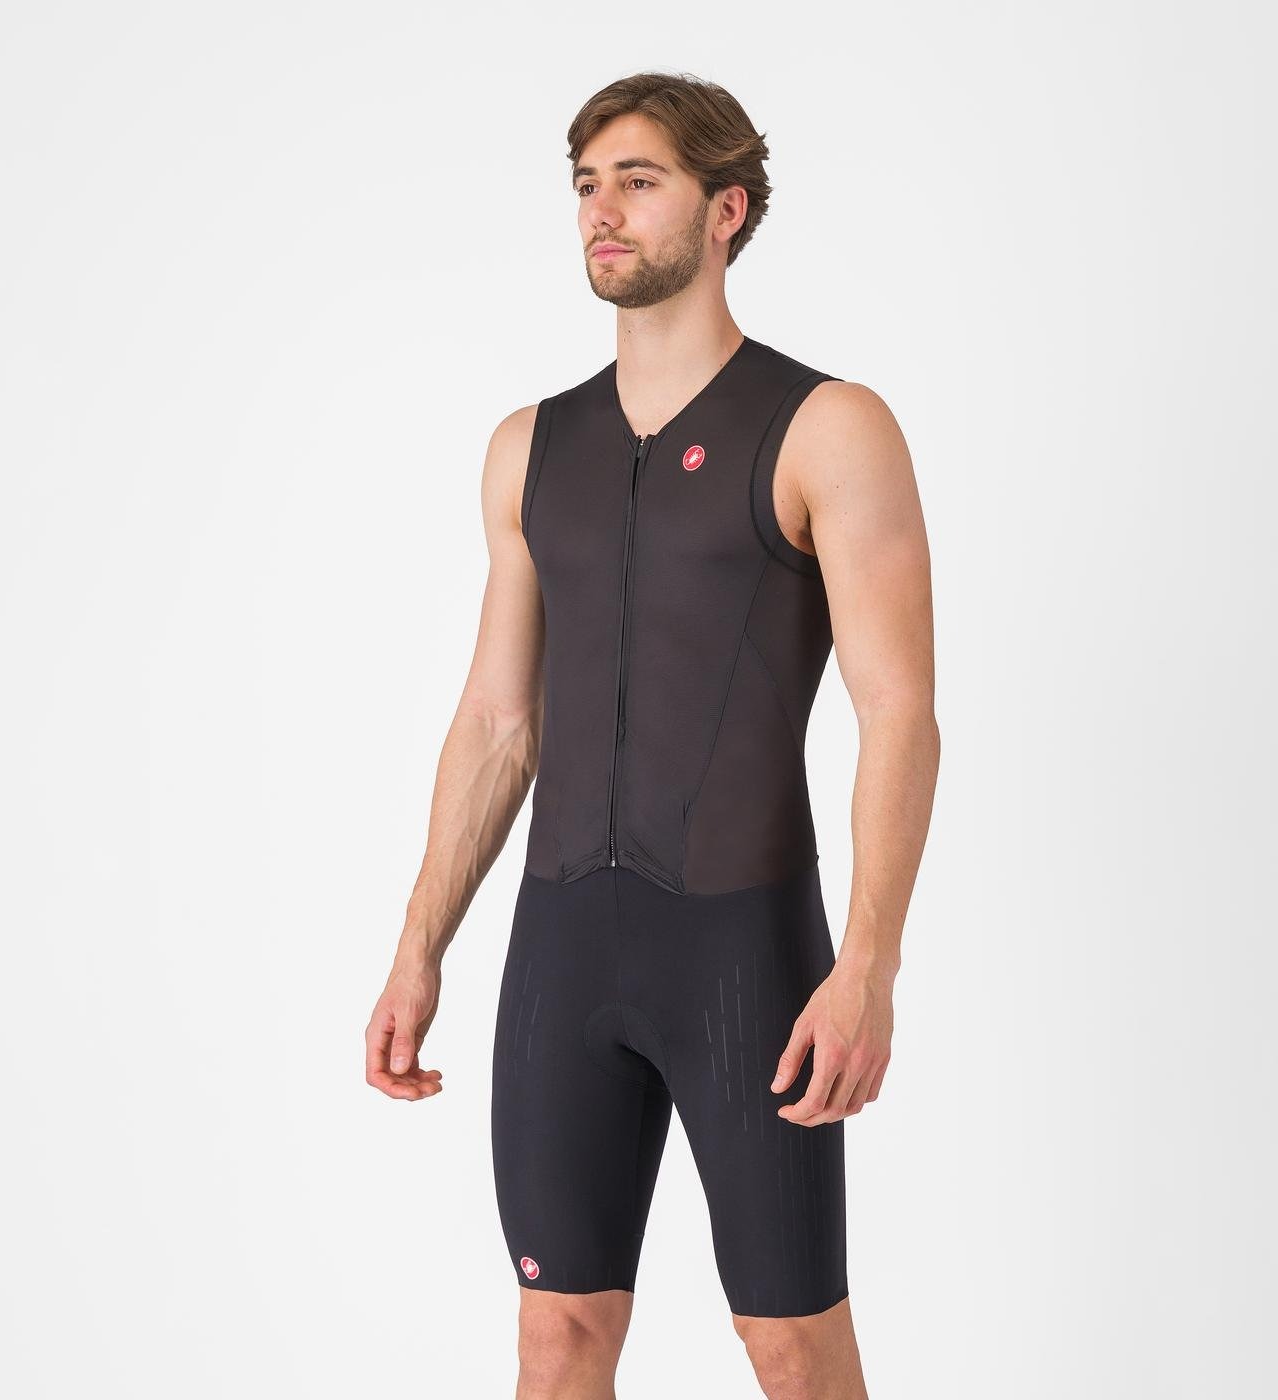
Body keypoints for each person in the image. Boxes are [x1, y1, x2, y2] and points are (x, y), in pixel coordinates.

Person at [365, 70, 939, 1400]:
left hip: (745, 951)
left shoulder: (828, 428)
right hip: (563, 948)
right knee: (556, 1335)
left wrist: (868, 964)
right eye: (586, 184)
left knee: (790, 1342)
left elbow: (899, 713)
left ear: (726, 210)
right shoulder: (530, 447)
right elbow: (499, 720)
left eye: (639, 181)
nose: (602, 211)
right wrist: (417, 945)